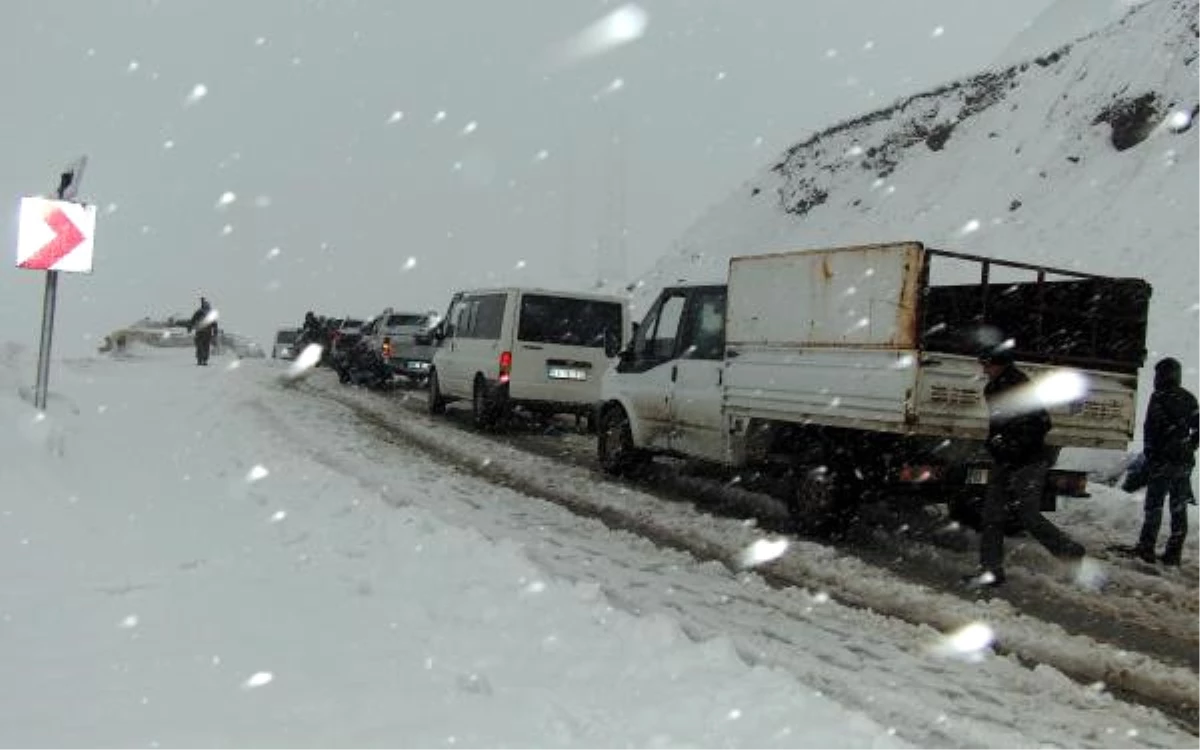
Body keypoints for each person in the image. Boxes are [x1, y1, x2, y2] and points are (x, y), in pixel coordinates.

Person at [965, 344, 1086, 588]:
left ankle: (1069, 550)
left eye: (987, 364)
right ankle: (991, 570)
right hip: (1005, 459)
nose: (984, 369)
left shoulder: (1019, 387)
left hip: (1026, 462)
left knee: (1026, 514)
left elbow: (1042, 423)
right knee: (992, 515)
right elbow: (1000, 425)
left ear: (997, 364)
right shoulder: (995, 388)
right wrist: (998, 446)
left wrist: (1013, 446)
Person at [1129, 357, 1198, 566]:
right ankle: (1173, 554)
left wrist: (1152, 454)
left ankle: (1146, 547)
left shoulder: (1158, 397)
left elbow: (1151, 429)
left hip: (1162, 461)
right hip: (1184, 462)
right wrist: (1189, 444)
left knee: (1154, 506)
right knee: (1179, 509)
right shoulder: (1189, 398)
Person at [186, 296, 216, 366]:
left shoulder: (199, 312)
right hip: (207, 333)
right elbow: (214, 325)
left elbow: (192, 321)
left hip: (200, 332)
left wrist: (189, 328)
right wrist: (215, 333)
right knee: (205, 347)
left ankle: (200, 360)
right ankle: (204, 360)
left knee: (200, 346)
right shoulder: (210, 313)